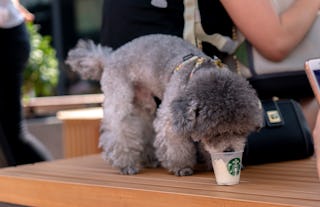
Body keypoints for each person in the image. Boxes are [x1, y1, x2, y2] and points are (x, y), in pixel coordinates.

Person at [100, 0, 320, 178]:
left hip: (169, 56)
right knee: (132, 116)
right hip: (130, 60)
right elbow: (275, 41)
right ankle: (131, 157)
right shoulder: (181, 99)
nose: (230, 144)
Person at [0, 0, 52, 166]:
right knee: (10, 134)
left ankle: (52, 179)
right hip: (10, 37)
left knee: (14, 134)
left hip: (7, 42)